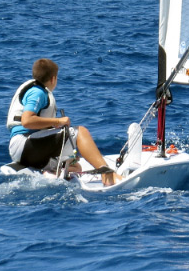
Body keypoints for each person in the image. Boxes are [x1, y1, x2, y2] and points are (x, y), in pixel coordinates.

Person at [7, 58, 122, 186]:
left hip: (22, 150)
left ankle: (50, 173)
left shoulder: (33, 89)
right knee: (81, 132)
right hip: (24, 145)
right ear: (53, 79)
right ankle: (107, 173)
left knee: (76, 167)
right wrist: (59, 121)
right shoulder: (37, 92)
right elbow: (27, 121)